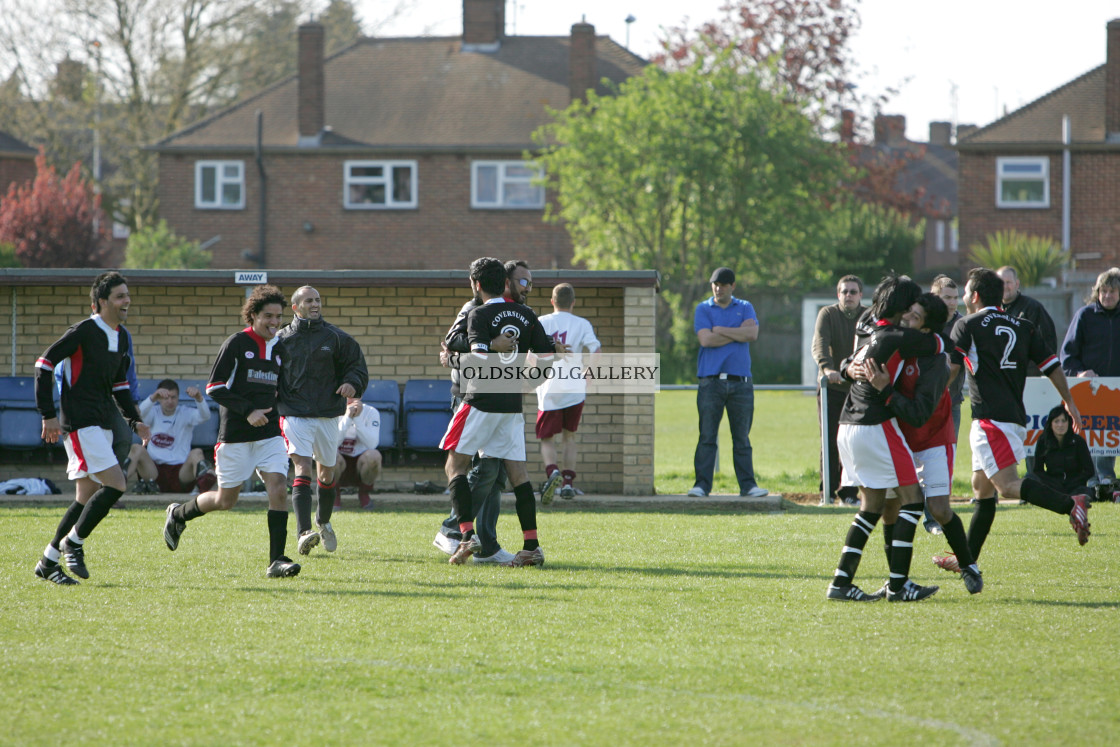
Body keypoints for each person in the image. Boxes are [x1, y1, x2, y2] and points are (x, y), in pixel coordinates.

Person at [936, 267, 1090, 577]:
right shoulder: (1023, 325)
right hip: (1011, 418)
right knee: (983, 490)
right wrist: (1070, 402)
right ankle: (966, 560)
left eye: (966, 292)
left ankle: (1070, 504)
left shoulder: (966, 325)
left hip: (990, 421)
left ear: (975, 296)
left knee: (1006, 487)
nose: (964, 297)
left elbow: (951, 369)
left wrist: (928, 398)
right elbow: (1051, 365)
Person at [162, 285, 300, 579]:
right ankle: (178, 514)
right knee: (226, 501)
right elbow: (215, 387)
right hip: (235, 436)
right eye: (268, 316)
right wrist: (248, 411)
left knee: (278, 488)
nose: (275, 322)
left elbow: (282, 390)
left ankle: (277, 560)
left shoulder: (281, 349)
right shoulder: (237, 343)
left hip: (270, 435)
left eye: (278, 316)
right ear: (253, 315)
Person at [825, 273, 946, 602]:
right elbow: (938, 342)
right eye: (910, 308)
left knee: (872, 506)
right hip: (875, 425)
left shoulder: (866, 324)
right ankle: (898, 584)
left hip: (847, 424)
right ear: (902, 308)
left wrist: (849, 366)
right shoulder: (896, 335)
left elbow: (849, 360)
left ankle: (840, 582)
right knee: (914, 500)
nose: (911, 315)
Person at [32, 271, 152, 585]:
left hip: (100, 423)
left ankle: (48, 561)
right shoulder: (84, 331)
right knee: (116, 484)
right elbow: (43, 365)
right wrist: (48, 415)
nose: (127, 301)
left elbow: (121, 385)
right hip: (80, 424)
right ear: (101, 302)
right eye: (120, 296)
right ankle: (74, 543)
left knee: (86, 495)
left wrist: (134, 419)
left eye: (127, 295)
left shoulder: (122, 336)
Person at [860, 293, 983, 596]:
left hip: (931, 437)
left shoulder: (934, 361)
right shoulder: (897, 342)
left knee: (939, 509)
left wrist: (886, 390)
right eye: (907, 313)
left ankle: (969, 566)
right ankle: (896, 580)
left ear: (927, 330)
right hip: (896, 439)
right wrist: (850, 365)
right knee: (890, 509)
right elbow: (864, 339)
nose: (906, 319)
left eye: (914, 317)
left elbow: (919, 415)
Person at [440, 256, 555, 567]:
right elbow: (547, 359)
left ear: (476, 285)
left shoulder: (478, 313)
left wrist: (453, 360)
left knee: (455, 465)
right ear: (504, 283)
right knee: (518, 475)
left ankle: (466, 536)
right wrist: (527, 384)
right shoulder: (528, 315)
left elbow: (478, 357)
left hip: (479, 402)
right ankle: (531, 545)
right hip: (511, 407)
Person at [276, 286, 369, 556]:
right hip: (294, 414)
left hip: (329, 414)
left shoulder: (338, 338)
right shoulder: (281, 339)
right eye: (309, 301)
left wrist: (352, 383)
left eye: (317, 300)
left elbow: (357, 367)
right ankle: (304, 533)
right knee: (302, 468)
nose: (315, 304)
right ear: (295, 307)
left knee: (327, 474)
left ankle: (323, 522)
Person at [688, 267, 768, 499]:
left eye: (723, 284)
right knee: (707, 436)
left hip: (741, 383)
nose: (718, 288)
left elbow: (752, 335)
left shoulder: (745, 307)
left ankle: (748, 486)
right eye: (715, 284)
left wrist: (721, 329)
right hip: (710, 382)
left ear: (732, 286)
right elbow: (706, 339)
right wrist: (737, 332)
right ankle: (702, 486)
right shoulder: (703, 308)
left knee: (741, 438)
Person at [536, 283, 601, 500]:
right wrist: (590, 373)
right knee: (569, 437)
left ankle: (552, 471)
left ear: (552, 301)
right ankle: (567, 483)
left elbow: (530, 353)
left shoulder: (542, 321)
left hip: (549, 386)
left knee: (546, 437)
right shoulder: (582, 323)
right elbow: (595, 348)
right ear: (573, 302)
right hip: (574, 387)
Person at [1060, 267, 1120, 499]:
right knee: (1091, 435)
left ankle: (1107, 477)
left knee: (1111, 433)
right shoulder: (1084, 316)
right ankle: (1092, 479)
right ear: (1097, 292)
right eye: (1103, 291)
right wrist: (1079, 372)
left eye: (1113, 291)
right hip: (1090, 391)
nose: (1107, 296)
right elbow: (1067, 355)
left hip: (1115, 391)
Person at [811, 275, 863, 506]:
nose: (849, 296)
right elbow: (820, 343)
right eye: (845, 292)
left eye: (853, 292)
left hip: (858, 390)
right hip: (831, 387)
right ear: (838, 294)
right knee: (830, 440)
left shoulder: (867, 315)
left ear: (860, 295)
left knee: (853, 442)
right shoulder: (828, 314)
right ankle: (828, 492)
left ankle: (850, 492)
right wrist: (827, 368)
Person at [126, 379, 216, 494]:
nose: (170, 401)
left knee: (197, 453)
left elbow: (205, 416)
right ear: (159, 399)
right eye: (165, 398)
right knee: (136, 448)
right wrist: (153, 397)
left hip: (181, 473)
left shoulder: (185, 413)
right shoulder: (153, 412)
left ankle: (203, 492)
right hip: (155, 472)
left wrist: (199, 398)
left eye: (173, 397)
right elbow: (138, 414)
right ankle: (117, 486)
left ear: (178, 397)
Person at [1027, 404, 1094, 499]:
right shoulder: (1043, 441)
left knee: (1085, 493)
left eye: (1064, 421)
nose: (1060, 425)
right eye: (1056, 421)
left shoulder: (1078, 442)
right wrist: (1053, 483)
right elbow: (1038, 470)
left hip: (1075, 486)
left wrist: (1072, 483)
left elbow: (1089, 470)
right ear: (1051, 424)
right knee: (1032, 483)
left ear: (1069, 423)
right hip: (1052, 485)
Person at [335, 397, 382, 510]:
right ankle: (334, 494)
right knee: (329, 455)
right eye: (346, 394)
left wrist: (357, 418)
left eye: (354, 394)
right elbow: (332, 442)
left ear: (360, 396)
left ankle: (364, 493)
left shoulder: (371, 412)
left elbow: (372, 444)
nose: (350, 398)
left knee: (374, 456)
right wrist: (347, 417)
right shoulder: (331, 410)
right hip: (338, 461)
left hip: (360, 462)